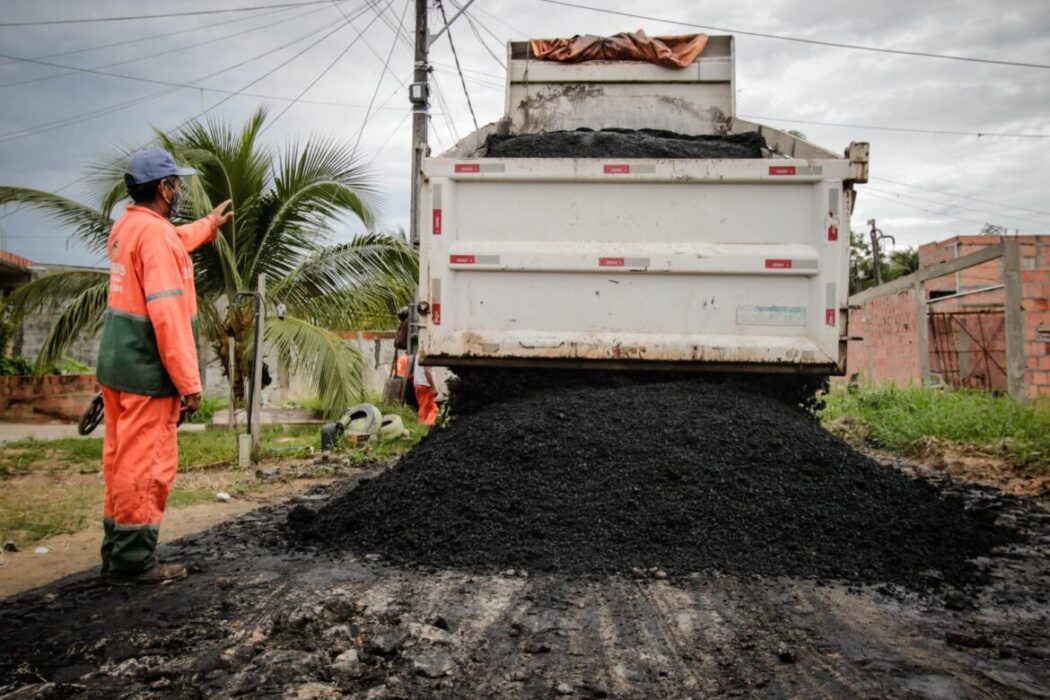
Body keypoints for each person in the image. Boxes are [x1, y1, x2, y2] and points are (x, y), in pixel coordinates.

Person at [96, 147, 233, 584]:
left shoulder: (129, 226)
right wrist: (189, 383)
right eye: (175, 184)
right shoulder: (155, 237)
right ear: (162, 188)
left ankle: (116, 549)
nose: (178, 191)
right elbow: (169, 317)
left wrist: (209, 225)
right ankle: (134, 561)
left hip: (118, 369)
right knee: (147, 463)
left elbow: (171, 242)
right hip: (148, 373)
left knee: (119, 461)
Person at [413, 353, 438, 425]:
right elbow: (427, 371)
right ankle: (427, 426)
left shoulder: (419, 354)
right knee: (432, 408)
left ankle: (422, 427)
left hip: (419, 384)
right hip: (425, 385)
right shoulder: (426, 354)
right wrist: (433, 386)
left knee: (424, 407)